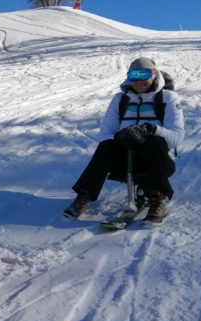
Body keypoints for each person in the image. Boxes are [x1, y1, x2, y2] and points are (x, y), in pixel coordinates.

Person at [64, 57, 184, 223]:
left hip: (158, 162)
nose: (139, 80)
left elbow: (176, 137)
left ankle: (157, 199)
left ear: (154, 74)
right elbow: (105, 134)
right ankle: (84, 196)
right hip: (125, 162)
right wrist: (120, 137)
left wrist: (151, 130)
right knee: (106, 146)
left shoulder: (168, 98)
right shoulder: (120, 99)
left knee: (154, 142)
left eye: (144, 75)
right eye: (134, 75)